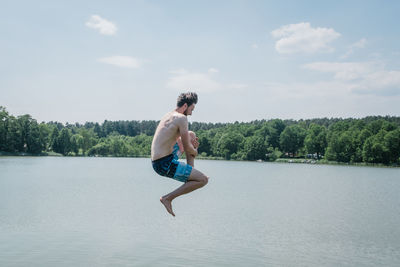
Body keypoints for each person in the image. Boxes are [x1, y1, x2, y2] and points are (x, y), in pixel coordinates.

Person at [151, 92, 209, 216]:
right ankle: (168, 198)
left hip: (161, 159)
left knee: (191, 134)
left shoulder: (169, 115)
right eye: (191, 109)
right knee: (203, 180)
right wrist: (195, 151)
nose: (191, 113)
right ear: (185, 106)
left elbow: (177, 138)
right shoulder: (182, 118)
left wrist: (186, 145)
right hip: (164, 164)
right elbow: (188, 148)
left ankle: (191, 173)